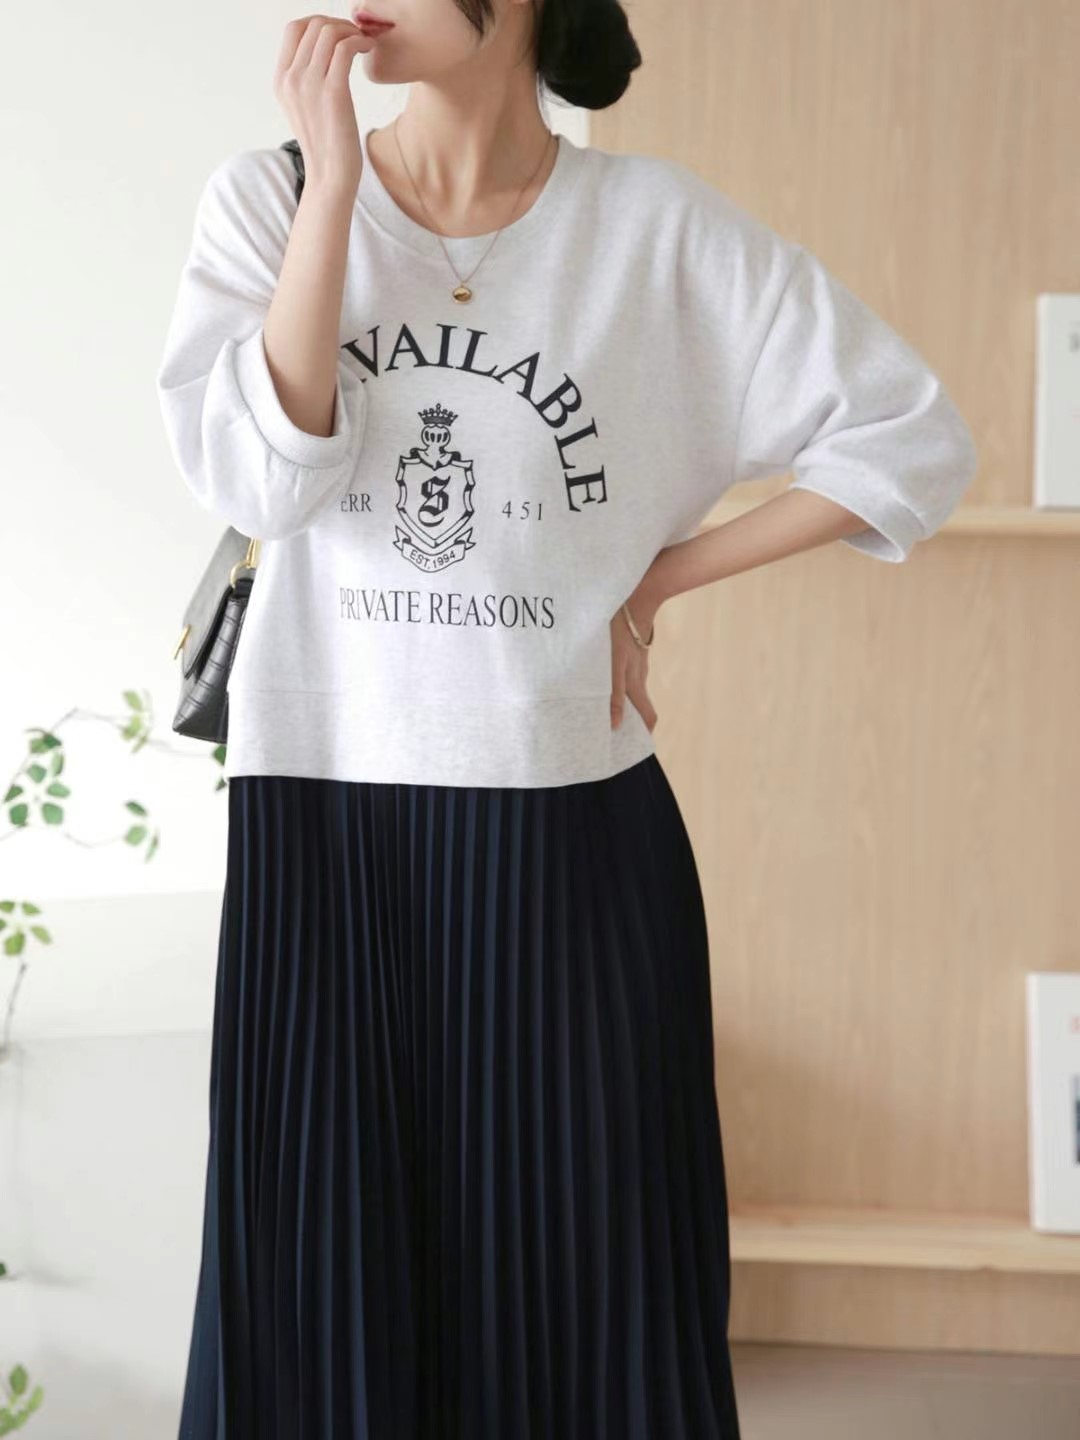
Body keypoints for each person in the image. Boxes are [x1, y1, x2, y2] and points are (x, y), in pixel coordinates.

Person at [155, 1, 978, 1436]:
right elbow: (265, 484)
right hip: (323, 823)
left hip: (570, 837)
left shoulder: (654, 230)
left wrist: (658, 578)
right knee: (317, 1290)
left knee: (584, 1294)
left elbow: (911, 437)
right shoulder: (270, 197)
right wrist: (333, 186)